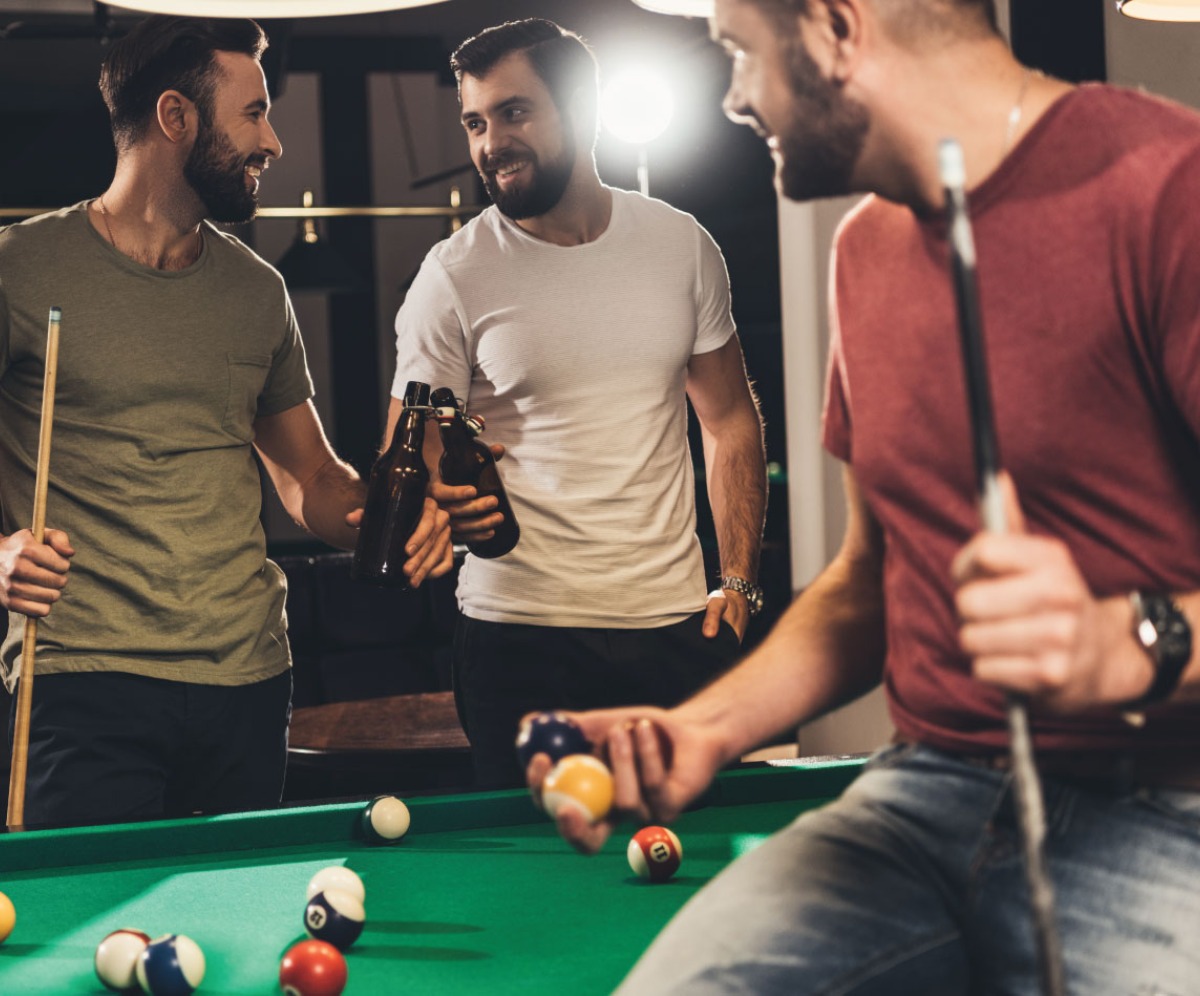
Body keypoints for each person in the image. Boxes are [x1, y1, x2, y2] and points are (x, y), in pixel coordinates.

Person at [530, 0, 1200, 992]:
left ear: (838, 29)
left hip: (1165, 812)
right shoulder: (867, 251)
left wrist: (1126, 644)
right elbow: (872, 581)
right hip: (920, 801)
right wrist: (705, 730)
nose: (735, 97)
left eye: (738, 55)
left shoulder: (1169, 189)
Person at [0, 15, 451, 829]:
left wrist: (392, 516)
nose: (272, 141)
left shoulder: (254, 289)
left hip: (246, 679)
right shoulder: (20, 270)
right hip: (84, 676)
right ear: (176, 118)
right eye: (254, 113)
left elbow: (310, 478)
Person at [391, 18, 769, 789]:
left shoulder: (681, 245)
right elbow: (410, 446)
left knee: (675, 866)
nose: (491, 141)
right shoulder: (454, 273)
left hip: (672, 629)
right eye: (475, 121)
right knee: (532, 887)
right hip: (517, 638)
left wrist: (737, 579)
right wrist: (437, 491)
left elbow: (730, 420)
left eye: (515, 112)